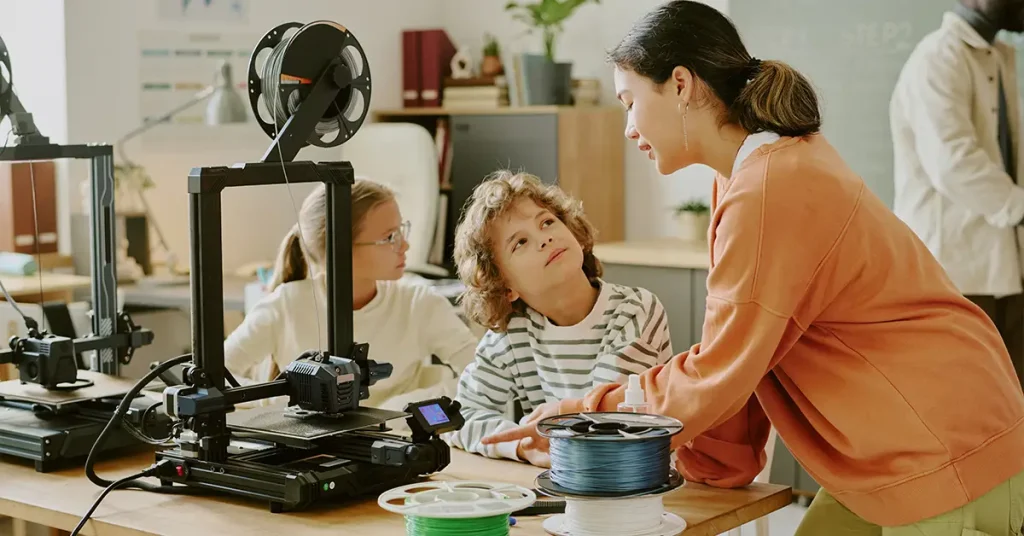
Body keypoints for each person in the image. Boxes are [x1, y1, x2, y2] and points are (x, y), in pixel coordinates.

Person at [482, 2, 1024, 534]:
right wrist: (715, 468)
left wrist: (582, 416)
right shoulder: (749, 177)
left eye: (629, 102)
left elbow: (721, 369)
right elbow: (746, 356)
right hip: (904, 443)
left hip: (939, 444)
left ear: (679, 84)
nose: (627, 127)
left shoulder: (769, 188)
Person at [445, 171, 673, 467]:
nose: (544, 238)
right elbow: (459, 418)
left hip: (638, 481)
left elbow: (604, 423)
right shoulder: (512, 333)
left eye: (547, 222)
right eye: (520, 242)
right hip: (563, 481)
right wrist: (523, 445)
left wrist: (544, 438)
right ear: (504, 286)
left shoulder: (633, 309)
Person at [224, 180, 479, 413]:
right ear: (341, 250)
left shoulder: (419, 303)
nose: (405, 246)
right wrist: (290, 400)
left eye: (402, 231)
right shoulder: (286, 305)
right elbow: (216, 376)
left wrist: (402, 408)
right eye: (389, 237)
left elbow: (483, 376)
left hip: (395, 441)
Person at [891, 0, 1024, 391]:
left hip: (1004, 272)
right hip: (954, 275)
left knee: (1009, 407)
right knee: (964, 407)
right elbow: (953, 163)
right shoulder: (937, 58)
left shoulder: (998, 57)